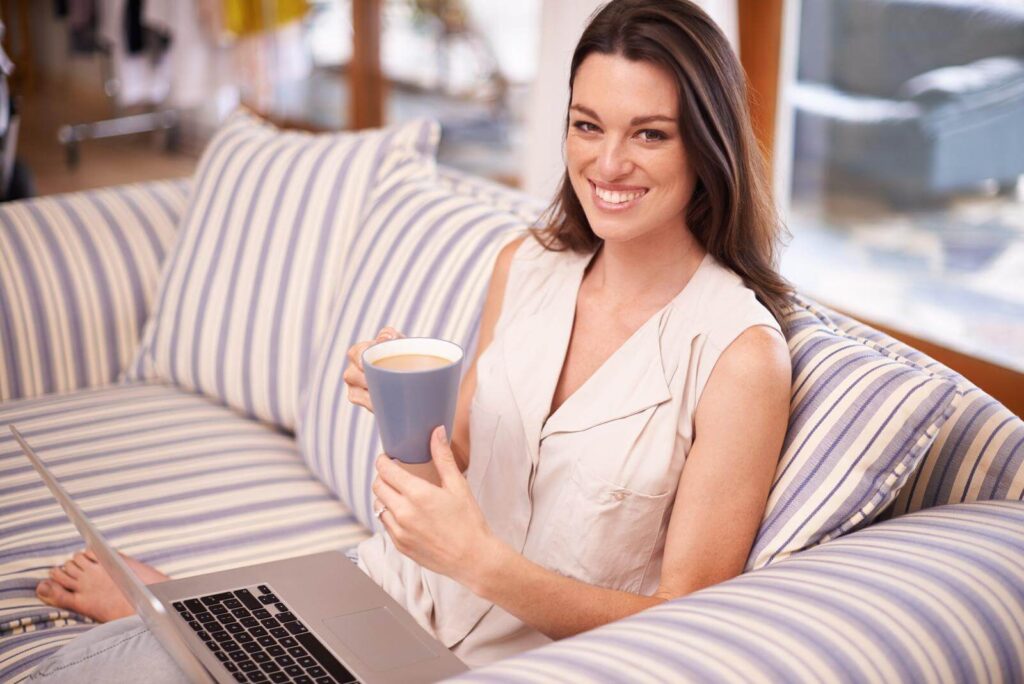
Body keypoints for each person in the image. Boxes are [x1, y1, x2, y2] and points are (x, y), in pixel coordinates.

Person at [29, 0, 793, 678]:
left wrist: (484, 566)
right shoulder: (527, 265)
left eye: (649, 134)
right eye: (586, 125)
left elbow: (691, 621)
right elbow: (450, 461)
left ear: (707, 144)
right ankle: (196, 614)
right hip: (374, 598)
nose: (608, 163)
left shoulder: (738, 356)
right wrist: (397, 405)